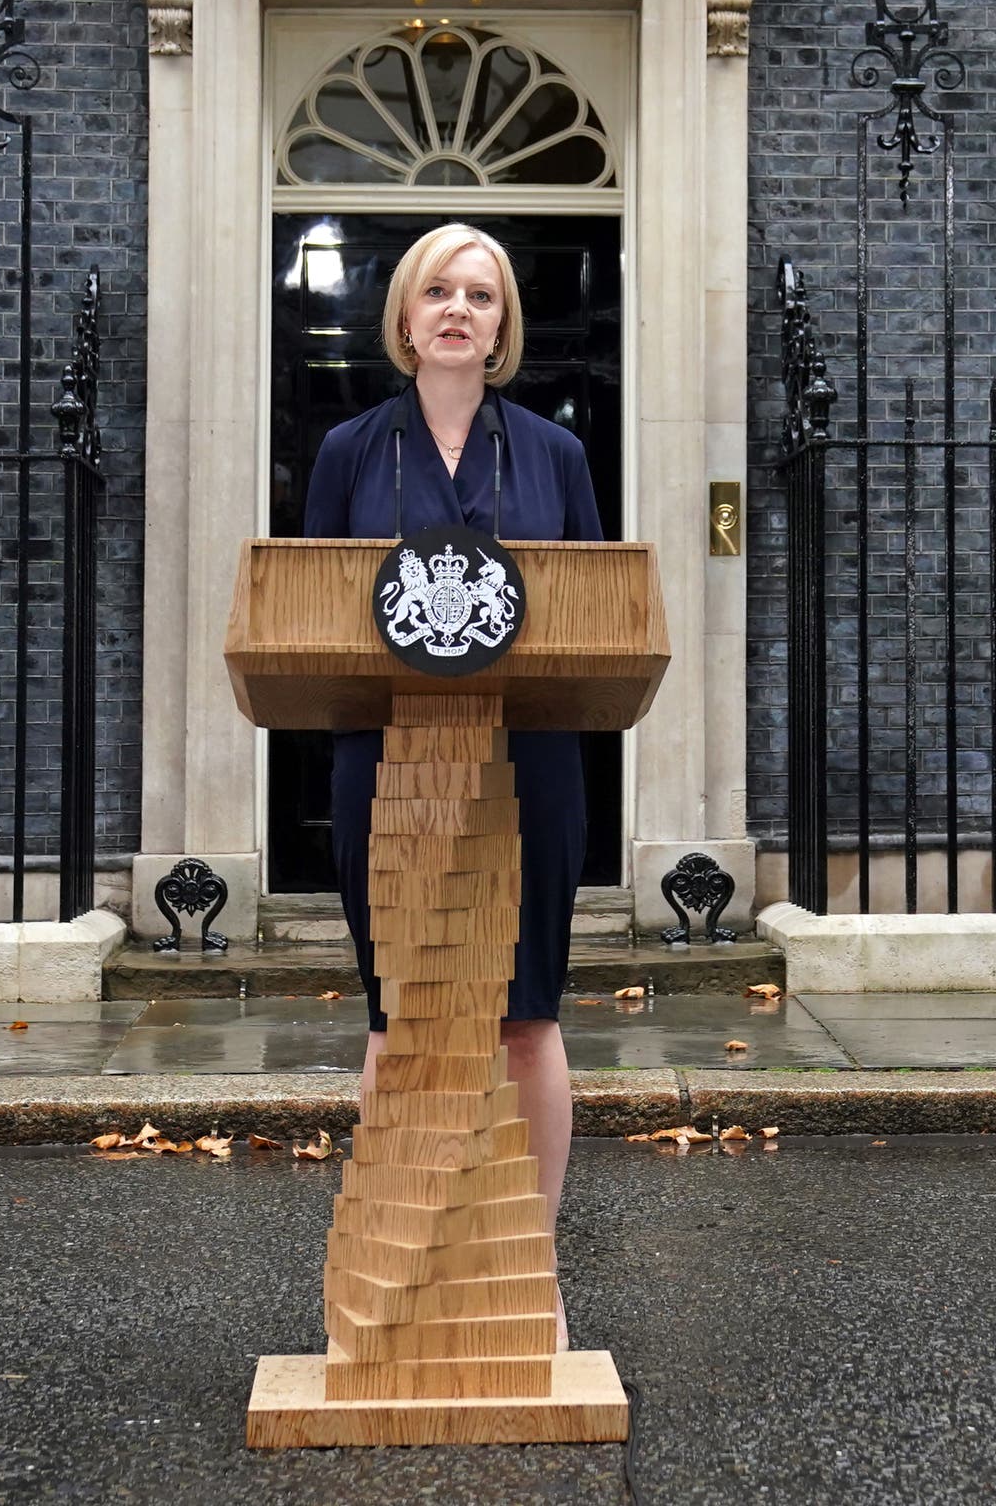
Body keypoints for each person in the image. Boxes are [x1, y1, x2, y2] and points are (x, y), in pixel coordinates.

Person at [303, 222, 603, 1350]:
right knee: (402, 1022)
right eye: (440, 289)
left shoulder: (556, 456)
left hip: (529, 767)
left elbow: (586, 613)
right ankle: (398, 1272)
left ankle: (529, 1269)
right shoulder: (348, 453)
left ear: (504, 325)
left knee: (525, 1019)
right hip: (388, 765)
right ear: (407, 315)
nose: (459, 309)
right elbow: (318, 612)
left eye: (482, 293)